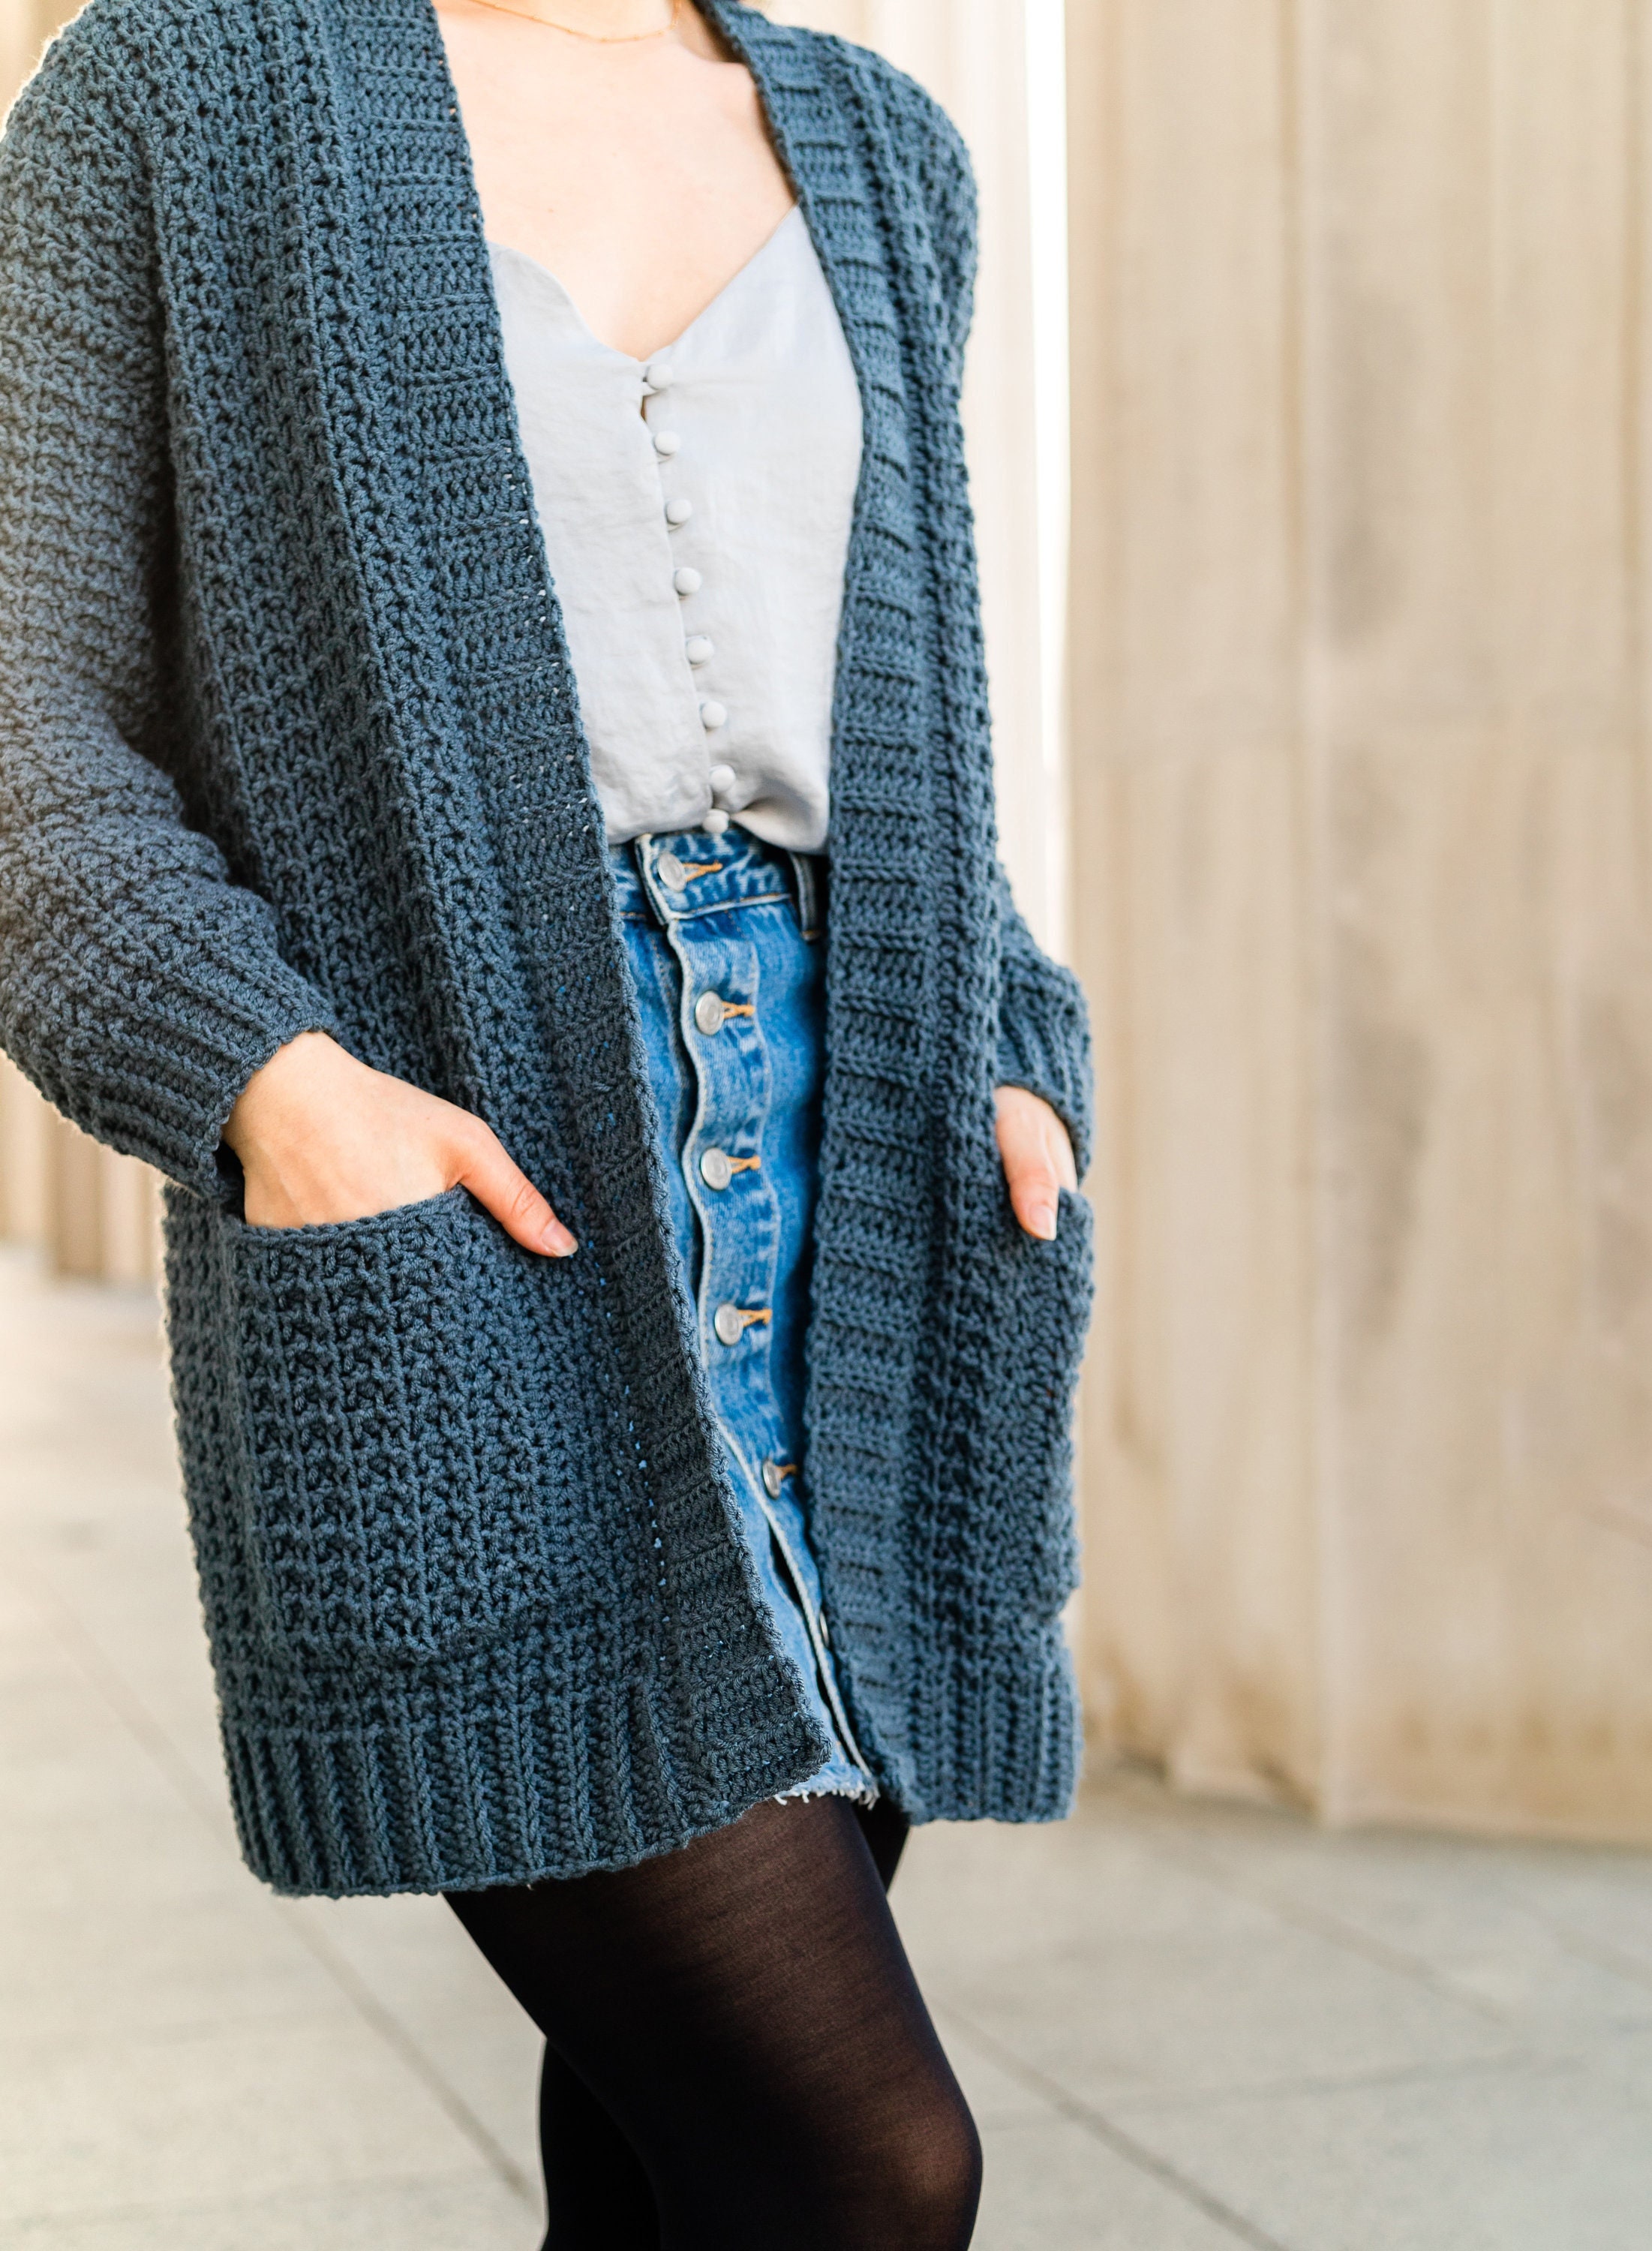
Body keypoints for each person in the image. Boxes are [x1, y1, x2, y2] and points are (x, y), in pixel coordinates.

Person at [0, 0, 1094, 2240]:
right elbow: (22, 700)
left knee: (673, 2159)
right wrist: (271, 1085)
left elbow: (920, 711)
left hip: (869, 1216)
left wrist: (1011, 1041)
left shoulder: (884, 148)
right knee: (864, 2169)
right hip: (470, 1202)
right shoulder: (185, 88)